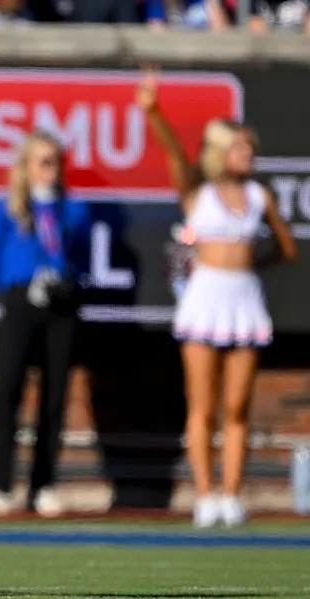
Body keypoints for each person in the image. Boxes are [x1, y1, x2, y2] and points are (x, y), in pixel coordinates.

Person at [135, 69, 297, 527]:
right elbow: (174, 153)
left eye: (251, 147)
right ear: (223, 150)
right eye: (243, 146)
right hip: (205, 298)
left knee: (238, 406)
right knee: (202, 404)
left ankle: (232, 493)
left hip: (244, 298)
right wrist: (153, 112)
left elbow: (286, 248)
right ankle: (205, 495)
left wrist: (249, 265)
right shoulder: (197, 191)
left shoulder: (259, 195)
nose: (250, 154)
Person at [0, 130, 91, 519]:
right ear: (25, 167)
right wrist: (21, 281)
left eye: (57, 161)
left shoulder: (73, 210)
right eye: (43, 162)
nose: (52, 170)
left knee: (55, 397)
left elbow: (82, 257)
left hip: (61, 304)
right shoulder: (6, 210)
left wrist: (63, 280)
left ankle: (43, 485)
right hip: (21, 301)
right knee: (8, 391)